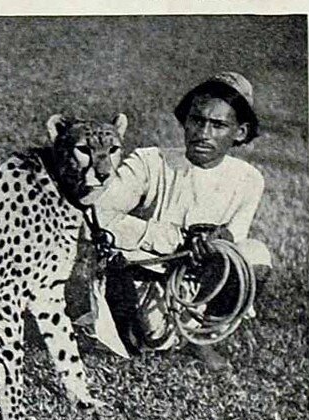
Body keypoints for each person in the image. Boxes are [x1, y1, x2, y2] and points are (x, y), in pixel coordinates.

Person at [84, 72, 272, 371]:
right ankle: (133, 326)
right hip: (148, 272)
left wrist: (218, 239)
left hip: (197, 281)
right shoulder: (151, 161)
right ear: (185, 120)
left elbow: (235, 241)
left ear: (240, 131)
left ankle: (203, 339)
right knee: (147, 342)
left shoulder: (248, 179)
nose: (203, 133)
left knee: (254, 255)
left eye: (218, 125)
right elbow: (98, 215)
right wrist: (174, 238)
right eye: (196, 120)